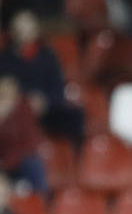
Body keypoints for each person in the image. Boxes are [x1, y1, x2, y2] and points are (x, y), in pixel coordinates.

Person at [0, 9, 86, 150]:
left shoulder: (48, 56)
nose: (24, 33)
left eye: (27, 28)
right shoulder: (5, 59)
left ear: (35, 30)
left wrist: (44, 100)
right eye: (19, 29)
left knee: (75, 116)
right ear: (12, 31)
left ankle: (74, 162)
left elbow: (58, 87)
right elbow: (5, 89)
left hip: (47, 109)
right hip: (18, 113)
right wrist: (26, 102)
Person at [0, 75, 47, 197]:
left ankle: (42, 204)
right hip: (5, 163)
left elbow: (29, 143)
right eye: (3, 94)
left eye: (10, 93)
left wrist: (7, 162)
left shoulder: (23, 109)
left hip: (18, 162)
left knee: (33, 163)